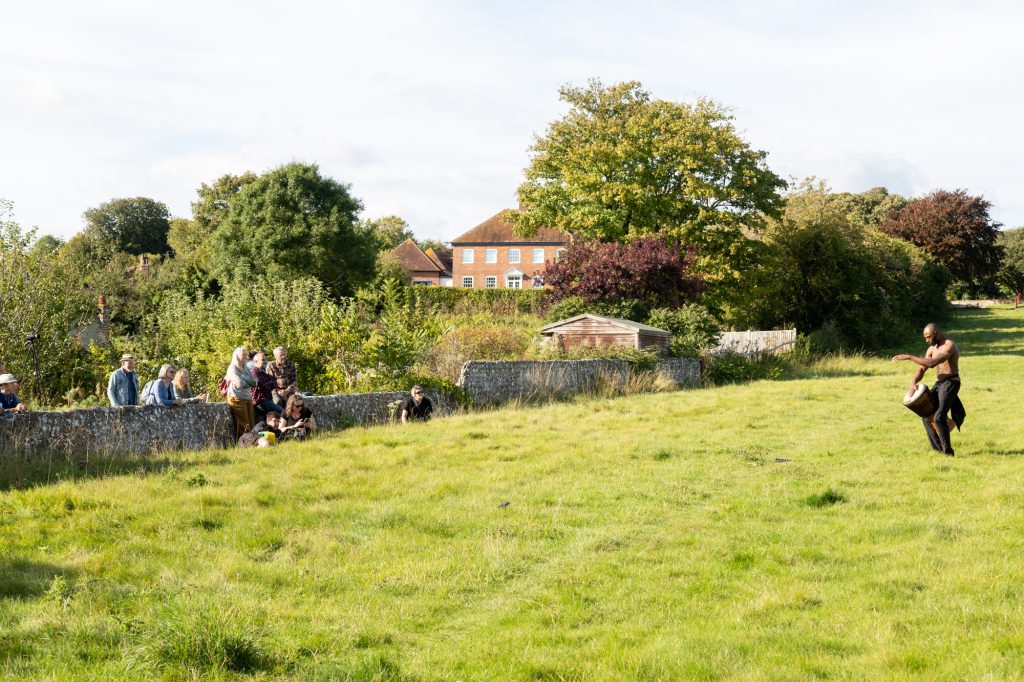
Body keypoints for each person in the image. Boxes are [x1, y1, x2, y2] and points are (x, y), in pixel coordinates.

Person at [893, 322, 966, 456]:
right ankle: (937, 451)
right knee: (926, 414)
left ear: (936, 333)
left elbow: (932, 364)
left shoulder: (949, 346)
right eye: (925, 338)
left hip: (951, 382)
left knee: (938, 416)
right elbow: (922, 368)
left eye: (928, 337)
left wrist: (909, 357)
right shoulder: (931, 349)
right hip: (940, 383)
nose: (927, 340)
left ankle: (948, 453)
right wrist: (913, 382)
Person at [225, 346, 258, 439]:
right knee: (244, 424)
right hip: (236, 397)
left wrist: (246, 381)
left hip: (247, 396)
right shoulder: (232, 368)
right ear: (237, 356)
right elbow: (239, 384)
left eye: (246, 355)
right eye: (243, 355)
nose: (245, 357)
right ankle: (245, 443)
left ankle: (253, 441)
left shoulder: (245, 367)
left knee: (251, 422)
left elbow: (255, 382)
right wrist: (248, 382)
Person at [251, 350, 283, 419]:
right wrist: (270, 384)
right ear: (256, 361)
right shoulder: (254, 373)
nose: (265, 361)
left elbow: (274, 383)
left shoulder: (263, 372)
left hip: (267, 399)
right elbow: (266, 386)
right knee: (282, 412)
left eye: (265, 359)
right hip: (260, 401)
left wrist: (271, 384)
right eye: (263, 359)